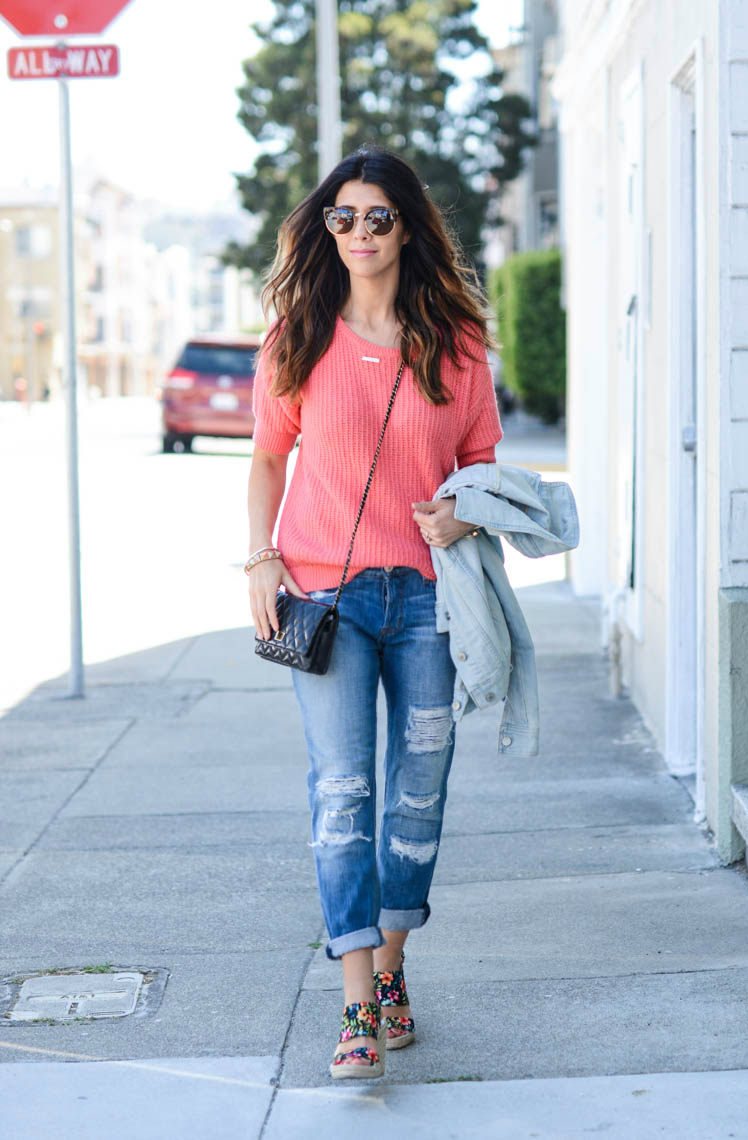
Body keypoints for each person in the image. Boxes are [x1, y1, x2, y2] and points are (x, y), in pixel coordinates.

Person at [246, 144, 503, 1079]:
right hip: (327, 596)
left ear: (408, 227)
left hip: (431, 596)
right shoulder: (299, 335)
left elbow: (481, 462)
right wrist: (261, 557)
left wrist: (460, 504)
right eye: (342, 218)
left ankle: (392, 968)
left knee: (418, 790)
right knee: (343, 793)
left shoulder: (457, 339)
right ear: (326, 227)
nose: (357, 233)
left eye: (377, 218)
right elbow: (269, 458)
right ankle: (357, 1003)